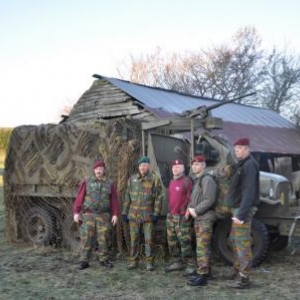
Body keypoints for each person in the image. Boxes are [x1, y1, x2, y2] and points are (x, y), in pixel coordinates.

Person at [226, 137, 259, 289]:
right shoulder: (242, 164)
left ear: (247, 148)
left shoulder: (250, 165)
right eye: (235, 148)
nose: (236, 150)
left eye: (239, 148)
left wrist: (241, 215)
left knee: (242, 244)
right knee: (235, 240)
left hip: (242, 210)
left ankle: (244, 278)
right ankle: (238, 271)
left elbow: (249, 192)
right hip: (237, 209)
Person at [73, 160, 118, 270]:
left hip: (103, 215)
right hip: (89, 215)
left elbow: (114, 200)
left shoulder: (110, 183)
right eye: (97, 169)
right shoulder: (87, 181)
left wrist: (115, 214)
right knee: (87, 237)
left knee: (103, 238)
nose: (99, 171)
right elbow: (80, 198)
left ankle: (104, 260)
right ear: (94, 170)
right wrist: (76, 212)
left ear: (104, 170)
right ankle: (84, 261)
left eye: (101, 169)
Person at [122, 156, 163, 271]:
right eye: (140, 165)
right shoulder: (132, 179)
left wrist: (156, 213)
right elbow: (127, 196)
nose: (142, 167)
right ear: (138, 167)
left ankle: (149, 263)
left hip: (148, 215)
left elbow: (159, 197)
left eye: (145, 165)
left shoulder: (154, 179)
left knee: (149, 240)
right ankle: (133, 261)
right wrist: (124, 212)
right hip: (133, 215)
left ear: (148, 166)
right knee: (134, 239)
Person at [186, 155, 217, 287]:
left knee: (202, 247)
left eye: (198, 164)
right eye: (193, 164)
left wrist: (196, 210)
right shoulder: (198, 180)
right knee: (202, 246)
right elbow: (195, 199)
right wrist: (189, 209)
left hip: (204, 218)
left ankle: (202, 275)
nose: (195, 166)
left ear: (204, 165)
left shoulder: (207, 180)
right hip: (199, 218)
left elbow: (209, 200)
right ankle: (205, 270)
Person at [164, 159, 196, 276]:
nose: (175, 168)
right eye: (174, 167)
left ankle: (190, 265)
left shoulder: (187, 181)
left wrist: (188, 212)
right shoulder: (172, 182)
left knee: (184, 241)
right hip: (171, 216)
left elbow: (192, 198)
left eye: (178, 167)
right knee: (172, 241)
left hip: (182, 217)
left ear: (183, 168)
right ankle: (177, 262)